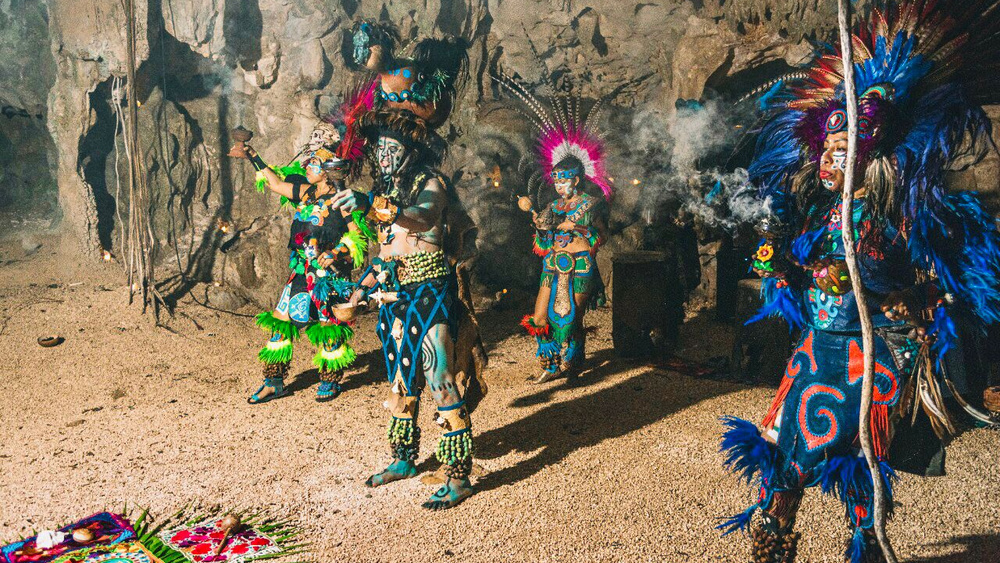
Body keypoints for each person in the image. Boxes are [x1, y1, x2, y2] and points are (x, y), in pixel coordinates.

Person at [718, 2, 1000, 562]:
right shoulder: (820, 211)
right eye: (827, 147)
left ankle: (866, 543)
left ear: (871, 157)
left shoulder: (903, 211)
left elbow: (936, 279)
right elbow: (796, 272)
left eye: (843, 151)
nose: (829, 159)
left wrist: (894, 292)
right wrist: (777, 258)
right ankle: (773, 537)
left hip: (872, 350)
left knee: (853, 447)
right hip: (817, 344)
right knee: (784, 442)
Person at [494, 75, 613, 383]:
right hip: (552, 266)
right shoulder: (553, 207)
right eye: (556, 181)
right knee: (540, 318)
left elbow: (602, 235)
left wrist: (579, 230)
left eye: (564, 181)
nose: (559, 186)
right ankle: (550, 365)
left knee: (571, 320)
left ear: (576, 179)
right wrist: (541, 228)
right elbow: (544, 241)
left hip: (581, 266)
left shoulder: (591, 203)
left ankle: (573, 363)